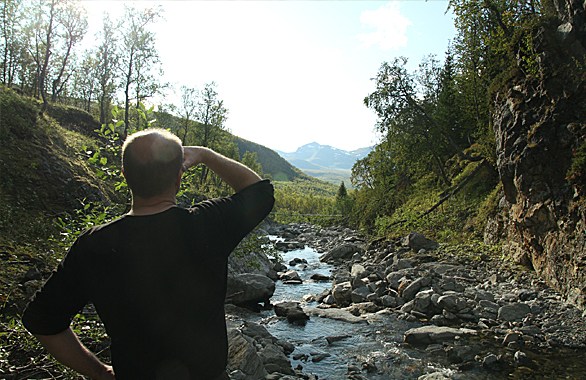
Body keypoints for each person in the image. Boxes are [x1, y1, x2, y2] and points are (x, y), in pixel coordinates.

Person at [22, 128, 275, 380]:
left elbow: (41, 320)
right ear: (178, 178)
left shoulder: (93, 245)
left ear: (125, 176)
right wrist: (205, 155)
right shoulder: (206, 225)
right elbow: (261, 193)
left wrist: (98, 372)